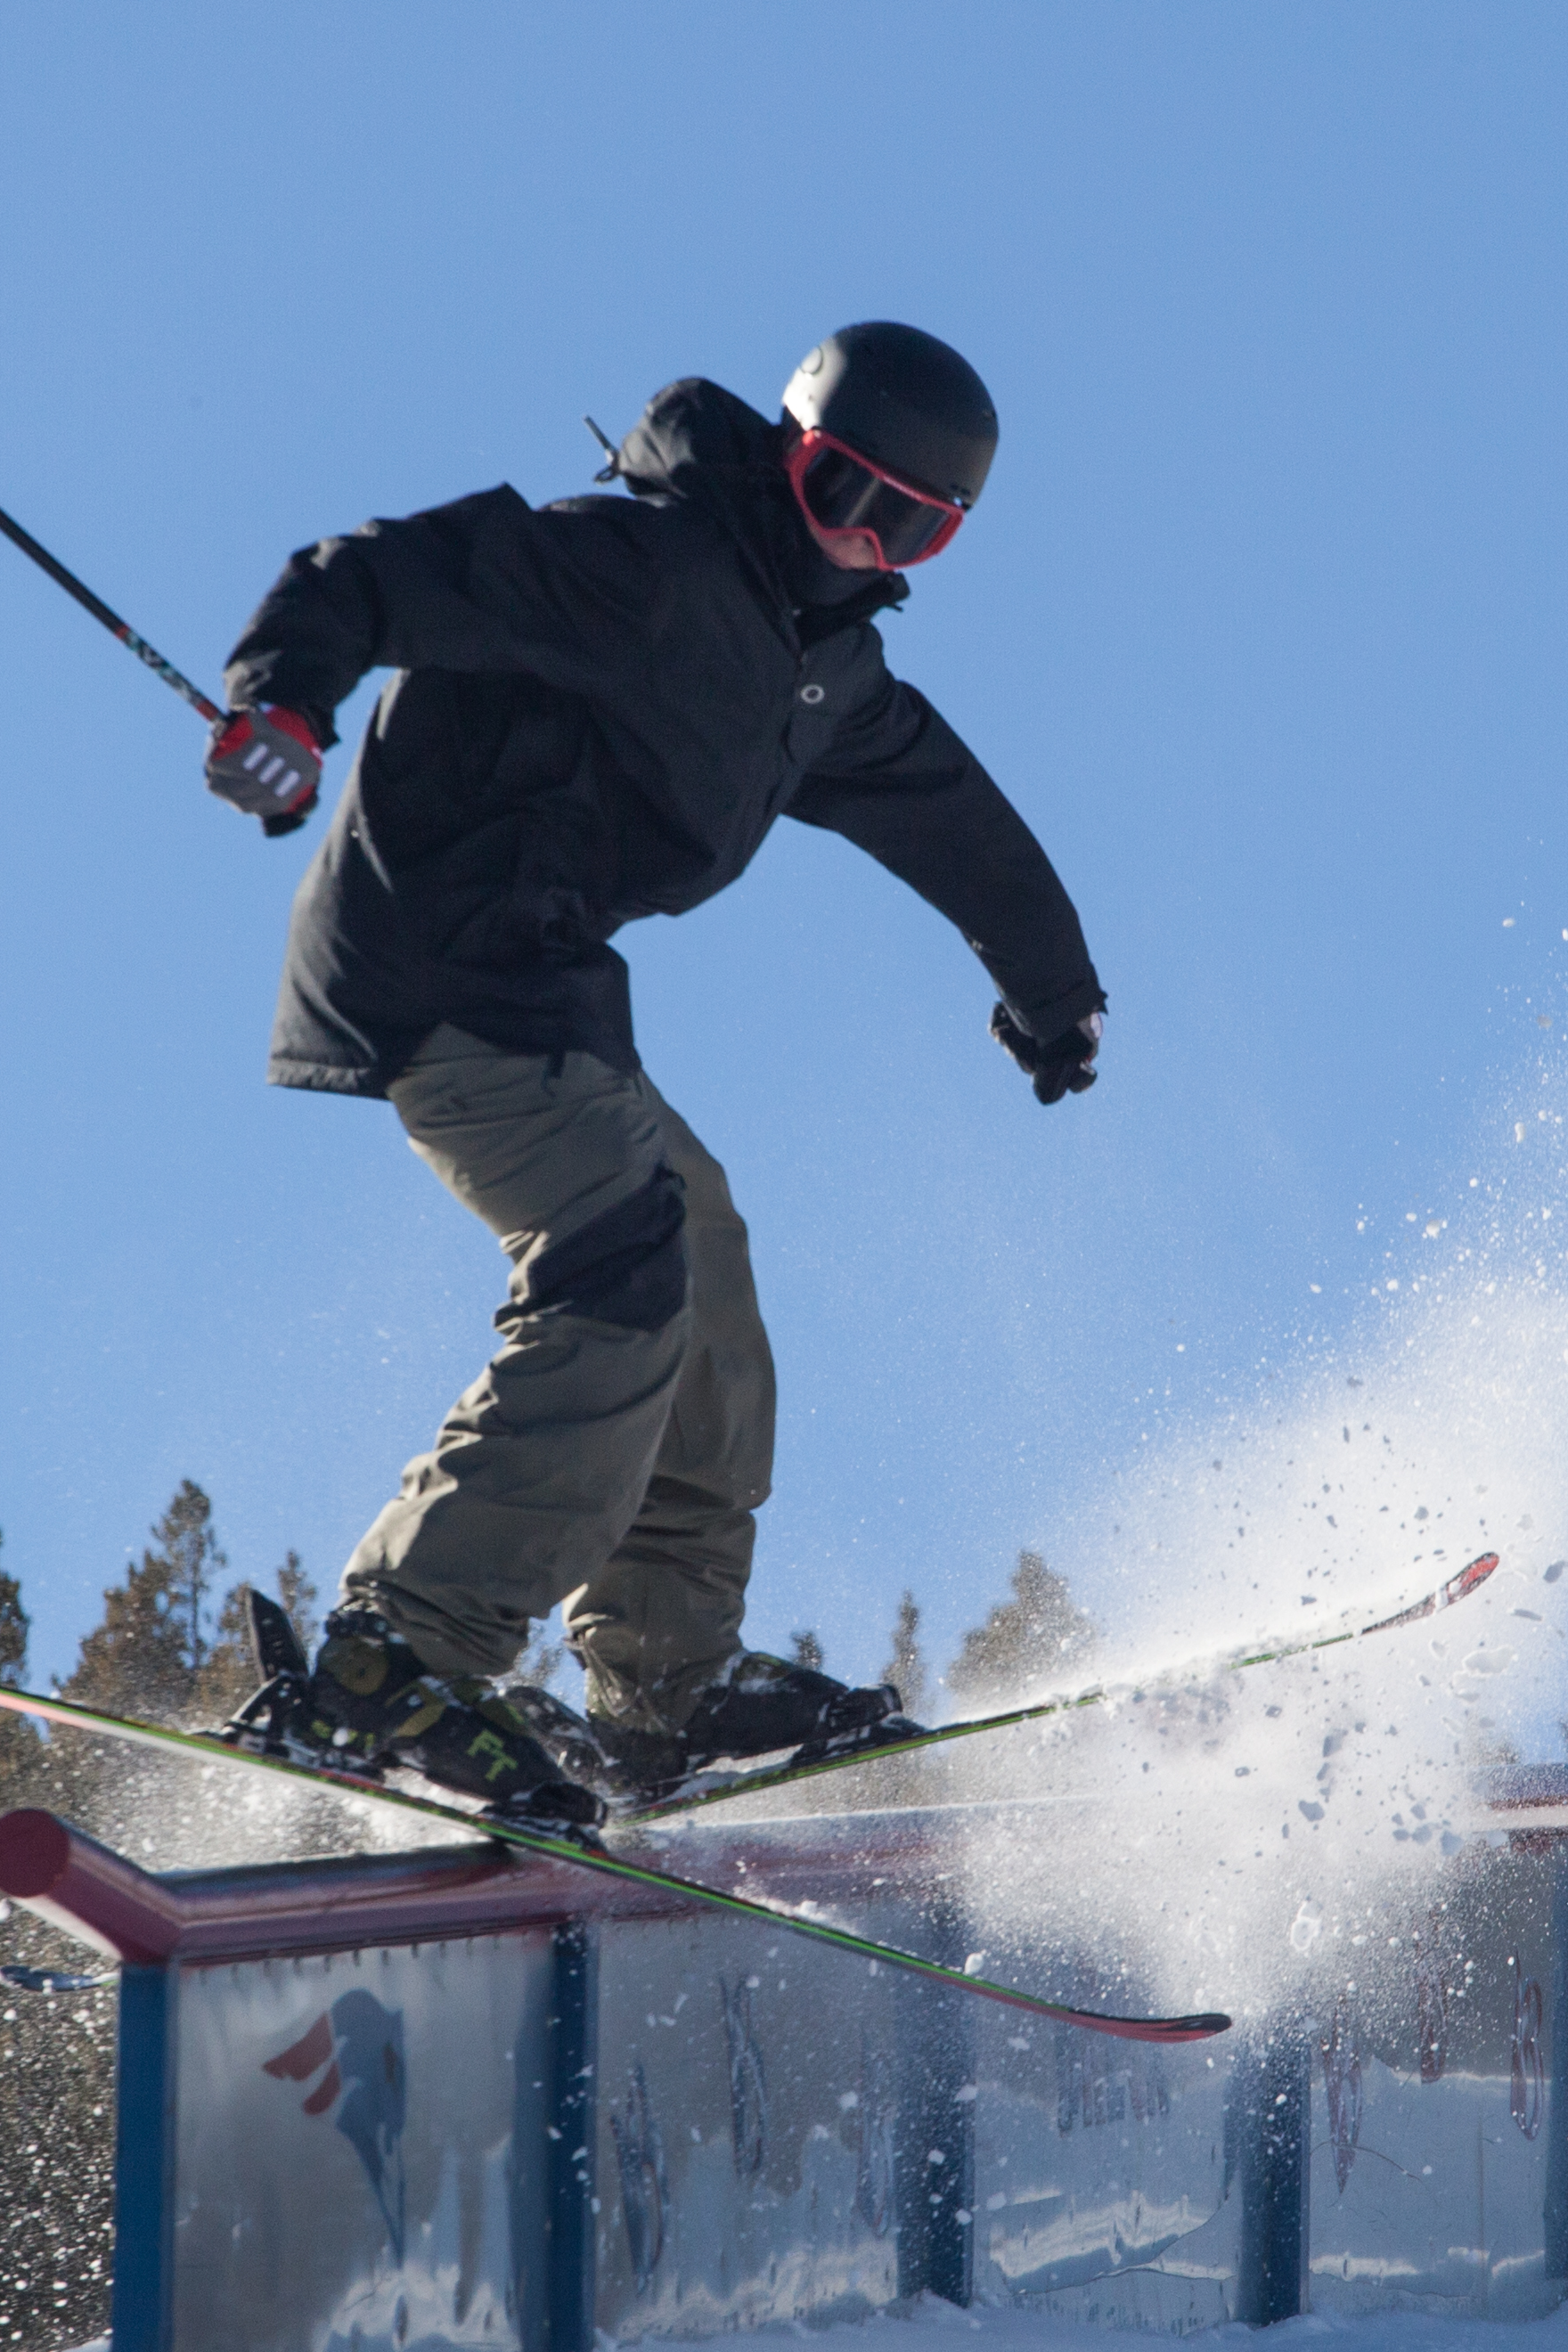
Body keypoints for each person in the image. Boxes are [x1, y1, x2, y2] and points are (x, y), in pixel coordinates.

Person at [200, 323, 1107, 1824]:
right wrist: (282, 698)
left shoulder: (817, 674)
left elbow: (955, 821)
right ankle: (390, 1656)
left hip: (547, 992)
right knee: (615, 1254)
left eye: (909, 524)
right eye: (837, 488)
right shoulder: (634, 563)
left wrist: (1053, 994)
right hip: (431, 961)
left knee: (695, 1243)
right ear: (783, 447)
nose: (858, 535)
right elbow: (369, 574)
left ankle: (661, 1691)